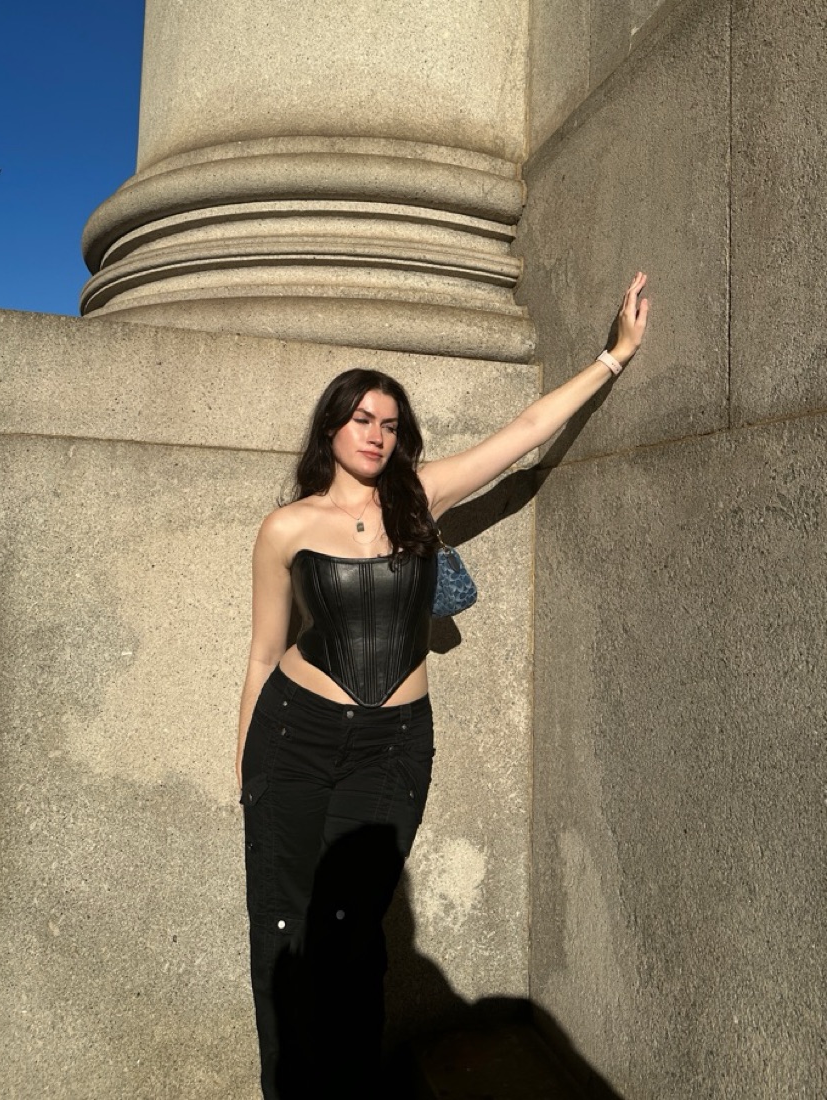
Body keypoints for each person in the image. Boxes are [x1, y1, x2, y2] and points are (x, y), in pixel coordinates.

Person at [236, 273, 650, 1098]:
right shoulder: (285, 527)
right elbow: (262, 652)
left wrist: (615, 356)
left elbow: (525, 433)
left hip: (390, 749)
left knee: (353, 934)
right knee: (282, 930)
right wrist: (246, 768)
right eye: (362, 419)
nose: (377, 435)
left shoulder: (419, 498)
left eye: (390, 424)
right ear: (331, 426)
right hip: (292, 738)